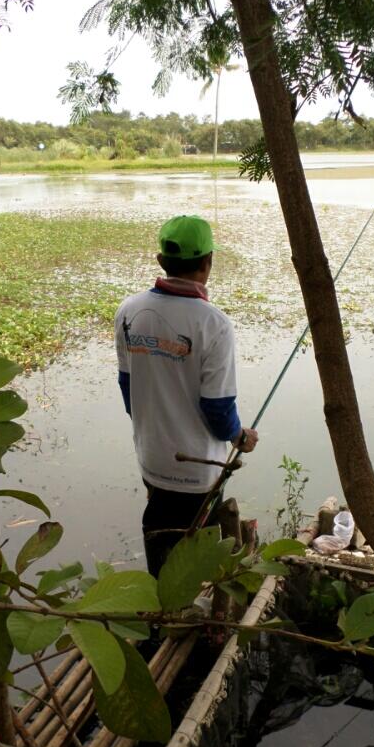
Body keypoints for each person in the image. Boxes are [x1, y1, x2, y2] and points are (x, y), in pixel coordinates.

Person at [115, 214, 258, 576]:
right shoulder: (214, 324)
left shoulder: (129, 311)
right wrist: (241, 437)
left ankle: (161, 617)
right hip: (198, 471)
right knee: (196, 556)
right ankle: (192, 621)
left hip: (151, 458)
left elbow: (127, 386)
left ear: (162, 261)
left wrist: (155, 427)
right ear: (208, 263)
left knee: (160, 536)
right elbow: (218, 408)